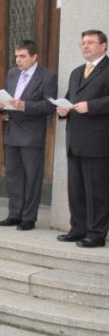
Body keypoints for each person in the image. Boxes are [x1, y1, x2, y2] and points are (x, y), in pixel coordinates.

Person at [0, 40, 57, 231]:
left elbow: (50, 106)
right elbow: (8, 98)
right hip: (12, 130)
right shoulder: (12, 74)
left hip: (32, 133)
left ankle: (29, 218)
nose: (18, 60)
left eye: (22, 56)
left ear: (34, 57)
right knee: (13, 175)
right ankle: (14, 214)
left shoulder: (47, 76)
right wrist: (0, 106)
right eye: (16, 56)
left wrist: (25, 105)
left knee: (32, 177)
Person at [56, 30, 109, 247]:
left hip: (97, 140)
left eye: (90, 42)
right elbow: (71, 98)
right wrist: (63, 109)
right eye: (83, 43)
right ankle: (78, 229)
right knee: (76, 189)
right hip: (75, 138)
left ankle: (96, 234)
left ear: (103, 46)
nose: (85, 46)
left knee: (96, 190)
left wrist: (92, 106)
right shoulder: (77, 72)